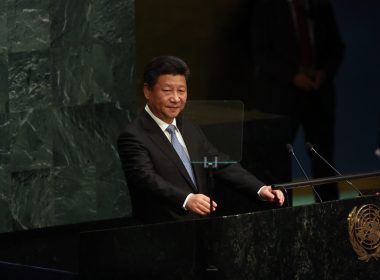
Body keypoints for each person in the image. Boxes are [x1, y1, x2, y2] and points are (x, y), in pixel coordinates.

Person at [117, 56, 284, 224]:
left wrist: (260, 189)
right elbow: (146, 180)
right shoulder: (133, 136)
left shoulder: (189, 127)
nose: (176, 98)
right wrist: (187, 199)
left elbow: (217, 162)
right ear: (147, 91)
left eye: (181, 91)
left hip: (201, 228)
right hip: (162, 233)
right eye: (167, 91)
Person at [250, 0, 345, 203]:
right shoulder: (267, 7)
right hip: (280, 96)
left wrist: (324, 73)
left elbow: (337, 47)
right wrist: (292, 76)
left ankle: (329, 212)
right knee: (279, 160)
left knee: (323, 158)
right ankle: (284, 214)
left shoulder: (319, 6)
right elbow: (260, 52)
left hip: (318, 94)